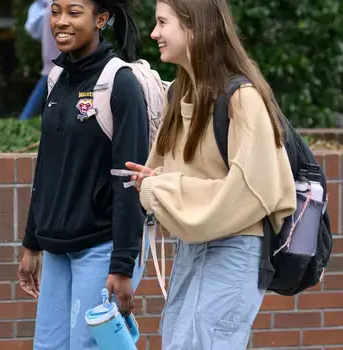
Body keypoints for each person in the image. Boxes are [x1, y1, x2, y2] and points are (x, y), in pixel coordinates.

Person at [126, 0, 297, 349]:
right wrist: (153, 181)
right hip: (193, 247)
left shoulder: (242, 97)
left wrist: (161, 189)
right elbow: (168, 174)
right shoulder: (179, 93)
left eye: (162, 22)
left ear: (194, 27)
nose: (154, 33)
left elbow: (253, 191)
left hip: (236, 246)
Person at [17, 0, 149, 349]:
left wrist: (122, 265)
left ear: (101, 19)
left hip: (101, 247)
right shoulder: (57, 78)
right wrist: (32, 241)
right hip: (57, 247)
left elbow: (129, 181)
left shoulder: (119, 83)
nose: (61, 22)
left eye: (74, 12)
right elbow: (47, 167)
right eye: (55, 11)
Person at [20, 0, 60, 120]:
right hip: (55, 64)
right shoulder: (48, 6)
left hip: (55, 64)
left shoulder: (46, 6)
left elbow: (33, 29)